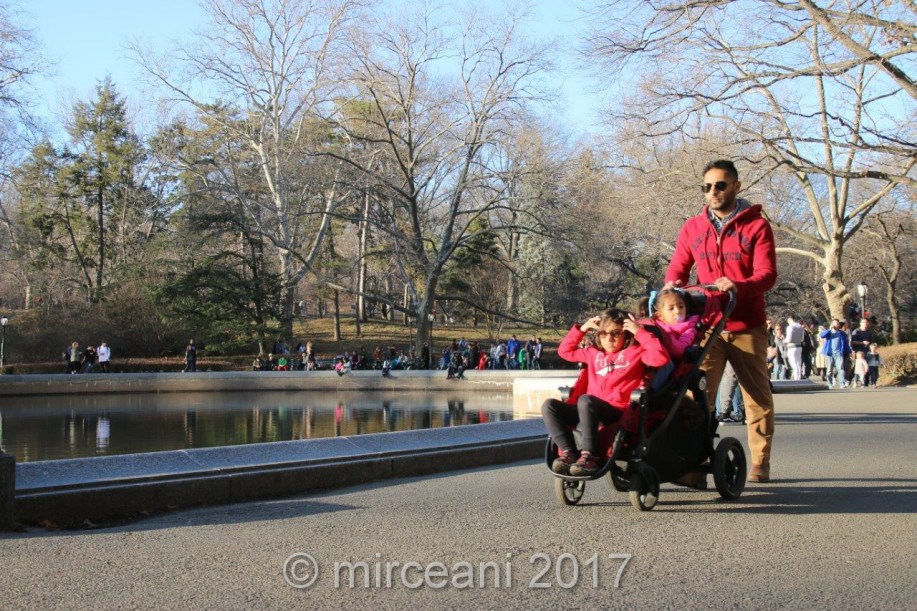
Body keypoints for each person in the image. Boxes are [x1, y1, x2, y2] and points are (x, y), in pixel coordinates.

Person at [664, 159, 777, 483]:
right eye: (707, 186)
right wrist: (672, 284)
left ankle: (760, 463)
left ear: (736, 186)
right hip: (708, 325)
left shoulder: (756, 226)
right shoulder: (693, 227)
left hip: (747, 325)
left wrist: (739, 286)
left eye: (720, 185)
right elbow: (679, 267)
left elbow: (767, 274)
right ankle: (694, 463)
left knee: (756, 398)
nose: (712, 192)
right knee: (696, 396)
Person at [541, 308, 669, 476]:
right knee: (549, 405)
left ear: (626, 334)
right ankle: (568, 452)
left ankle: (589, 456)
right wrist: (582, 329)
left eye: (616, 333)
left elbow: (660, 358)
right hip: (587, 408)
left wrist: (640, 332)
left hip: (616, 411)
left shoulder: (636, 353)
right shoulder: (592, 353)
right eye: (603, 333)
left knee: (586, 400)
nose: (609, 339)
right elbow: (564, 351)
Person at [819, 319, 849, 389]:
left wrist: (848, 351)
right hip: (830, 353)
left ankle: (842, 384)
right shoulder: (829, 332)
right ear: (832, 324)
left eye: (837, 324)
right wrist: (829, 329)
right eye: (834, 324)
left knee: (840, 368)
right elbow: (822, 335)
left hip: (838, 353)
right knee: (829, 370)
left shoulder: (841, 333)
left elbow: (845, 343)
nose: (836, 325)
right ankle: (830, 383)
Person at [785, 315, 805, 380]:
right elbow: (802, 339)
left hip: (792, 347)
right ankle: (799, 376)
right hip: (799, 346)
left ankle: (796, 377)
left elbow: (789, 339)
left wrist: (784, 340)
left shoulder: (790, 327)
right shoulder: (800, 327)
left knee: (793, 362)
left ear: (790, 319)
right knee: (798, 362)